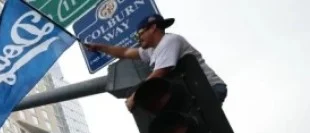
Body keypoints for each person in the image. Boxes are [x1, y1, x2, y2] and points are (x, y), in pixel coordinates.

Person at [84, 14, 226, 110]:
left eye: (140, 33)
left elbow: (159, 73)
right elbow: (125, 52)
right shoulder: (151, 50)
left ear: (153, 28)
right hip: (194, 89)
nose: (138, 39)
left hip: (209, 87)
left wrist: (135, 96)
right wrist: (100, 47)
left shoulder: (170, 41)